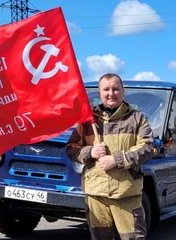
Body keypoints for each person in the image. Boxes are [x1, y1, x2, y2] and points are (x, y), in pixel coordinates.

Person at [66, 73, 154, 240]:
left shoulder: (137, 118)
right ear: (99, 93)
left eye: (115, 89)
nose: (111, 93)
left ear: (123, 91)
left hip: (126, 194)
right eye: (106, 89)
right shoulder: (88, 121)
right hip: (96, 194)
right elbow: (71, 149)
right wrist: (90, 152)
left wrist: (116, 160)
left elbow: (148, 148)